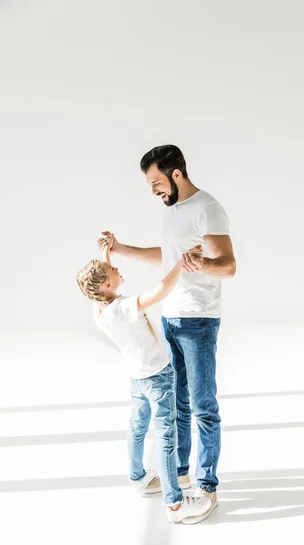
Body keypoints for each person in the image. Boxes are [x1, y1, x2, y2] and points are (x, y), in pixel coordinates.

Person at [98, 145, 236, 522]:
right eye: (150, 185)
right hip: (170, 317)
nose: (155, 190)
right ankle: (179, 473)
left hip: (199, 319)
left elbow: (229, 266)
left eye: (157, 181)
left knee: (204, 405)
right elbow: (167, 255)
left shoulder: (208, 208)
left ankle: (208, 487)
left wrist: (203, 262)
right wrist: (121, 248)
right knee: (177, 404)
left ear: (177, 174)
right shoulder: (173, 212)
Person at [76, 233, 212, 524]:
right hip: (158, 378)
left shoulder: (98, 308)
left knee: (137, 427)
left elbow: (101, 277)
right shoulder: (125, 308)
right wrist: (180, 262)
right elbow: (161, 291)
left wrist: (107, 252)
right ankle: (175, 504)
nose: (116, 268)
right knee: (166, 438)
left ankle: (138, 477)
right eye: (113, 270)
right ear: (107, 285)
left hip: (137, 377)